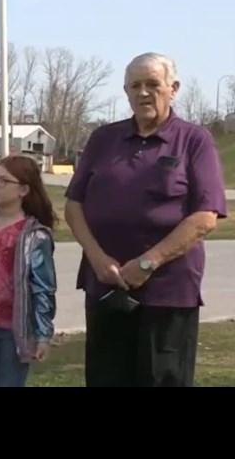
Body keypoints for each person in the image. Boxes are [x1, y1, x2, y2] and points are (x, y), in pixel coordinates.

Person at [64, 52, 227, 387]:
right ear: (125, 91)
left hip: (168, 293)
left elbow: (205, 217)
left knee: (161, 379)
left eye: (153, 84)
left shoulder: (194, 140)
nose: (143, 92)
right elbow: (73, 205)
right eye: (134, 85)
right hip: (106, 287)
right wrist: (96, 258)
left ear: (173, 88)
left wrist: (148, 262)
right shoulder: (103, 139)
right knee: (106, 378)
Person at [0, 155, 58, 387]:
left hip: (14, 329)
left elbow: (43, 287)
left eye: (3, 181)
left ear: (23, 190)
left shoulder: (34, 235)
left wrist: (42, 335)